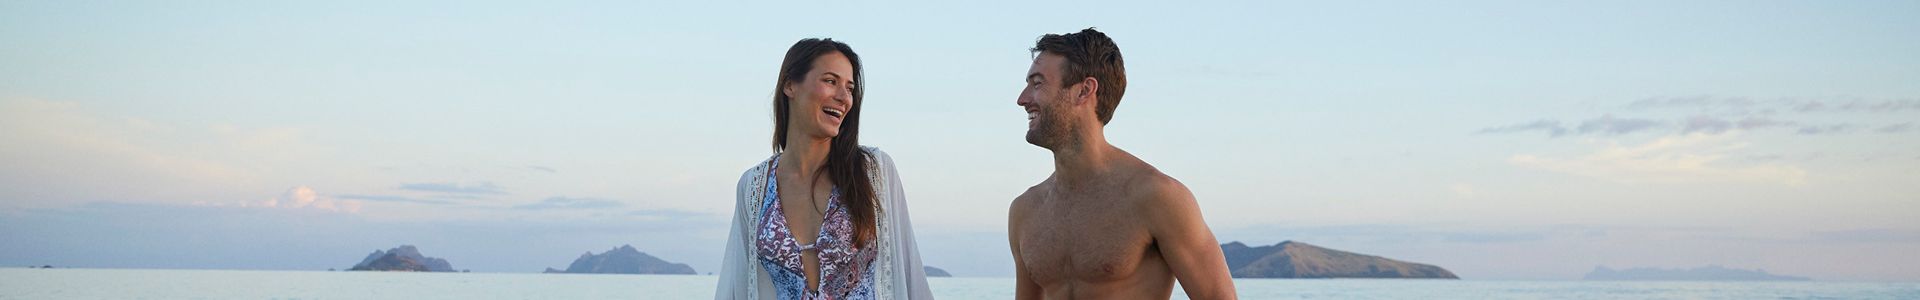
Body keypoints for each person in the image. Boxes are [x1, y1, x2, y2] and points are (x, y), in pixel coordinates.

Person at [1006, 28, 1238, 299]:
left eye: (1037, 83)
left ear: (1084, 91)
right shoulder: (1025, 211)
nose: (1022, 99)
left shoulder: (1156, 197)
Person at [715, 38, 934, 300]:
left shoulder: (873, 171)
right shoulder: (754, 186)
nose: (844, 98)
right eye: (831, 81)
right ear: (790, 85)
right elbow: (736, 283)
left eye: (850, 88)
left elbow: (911, 275)